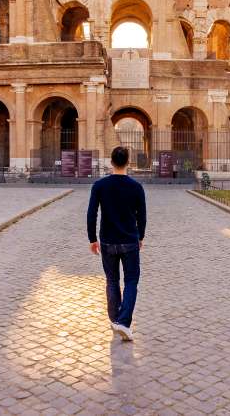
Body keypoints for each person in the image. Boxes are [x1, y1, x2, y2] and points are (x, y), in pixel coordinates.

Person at [87, 146, 146, 342]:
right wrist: (141, 237)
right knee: (131, 281)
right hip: (129, 240)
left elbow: (91, 213)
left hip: (108, 241)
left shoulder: (100, 185)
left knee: (112, 281)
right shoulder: (136, 187)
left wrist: (92, 239)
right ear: (128, 162)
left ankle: (116, 321)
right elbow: (142, 216)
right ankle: (123, 322)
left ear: (111, 162)